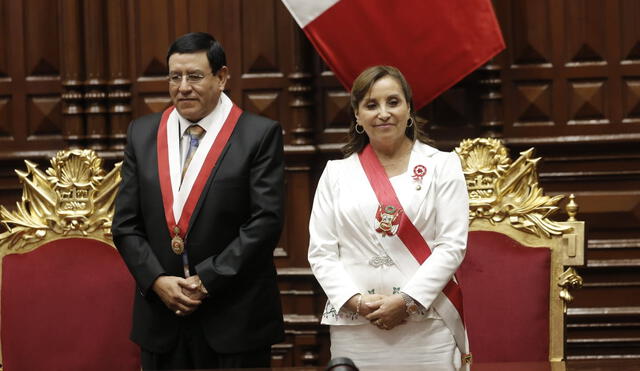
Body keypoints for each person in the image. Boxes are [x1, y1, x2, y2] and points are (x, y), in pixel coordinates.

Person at [112, 32, 285, 370]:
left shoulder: (258, 135)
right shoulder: (142, 134)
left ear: (221, 78)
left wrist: (206, 279)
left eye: (194, 76)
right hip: (162, 318)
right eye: (175, 77)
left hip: (235, 319)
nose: (183, 87)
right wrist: (157, 280)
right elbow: (125, 224)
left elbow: (265, 223)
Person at [308, 66, 470, 368]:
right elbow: (322, 253)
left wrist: (405, 301)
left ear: (409, 109)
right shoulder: (336, 174)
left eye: (393, 102)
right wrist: (357, 303)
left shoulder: (442, 166)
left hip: (427, 324)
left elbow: (451, 246)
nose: (383, 113)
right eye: (371, 105)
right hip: (356, 325)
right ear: (357, 115)